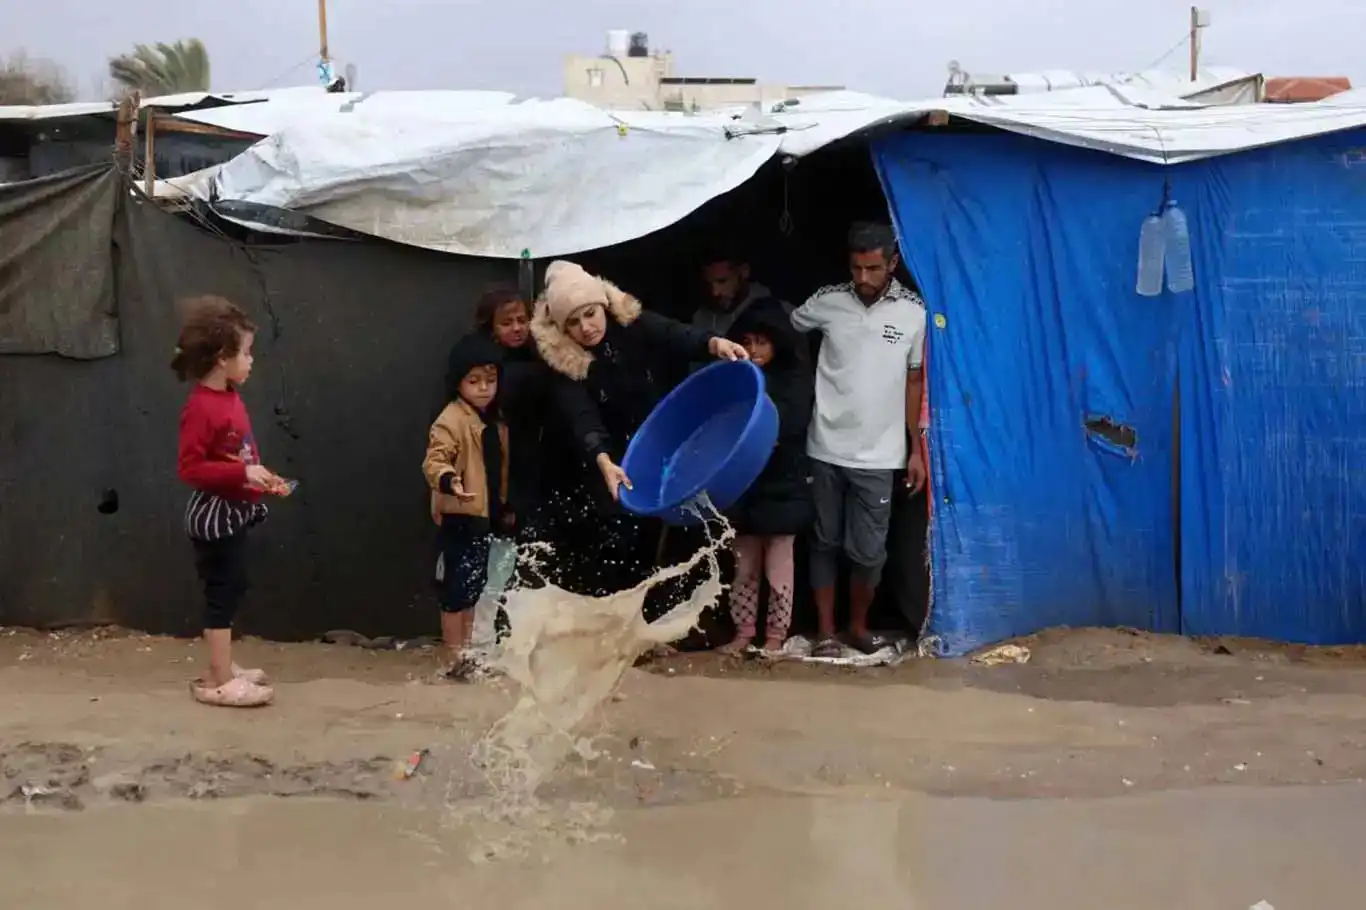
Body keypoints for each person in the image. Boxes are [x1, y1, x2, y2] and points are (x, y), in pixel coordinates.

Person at [531, 259, 747, 598]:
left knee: (680, 533)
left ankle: (672, 624)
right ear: (562, 330)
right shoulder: (561, 360)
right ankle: (618, 628)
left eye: (590, 314)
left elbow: (673, 334)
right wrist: (602, 459)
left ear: (603, 305)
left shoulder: (630, 321)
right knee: (621, 544)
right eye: (573, 322)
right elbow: (581, 415)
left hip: (657, 441)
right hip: (607, 461)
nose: (586, 327)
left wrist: (713, 343)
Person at [790, 222, 927, 657]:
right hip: (824, 447)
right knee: (824, 542)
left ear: (893, 263)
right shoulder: (827, 302)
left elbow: (914, 383)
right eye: (856, 268)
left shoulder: (915, 314)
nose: (863, 279)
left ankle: (859, 628)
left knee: (869, 554)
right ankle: (827, 631)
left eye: (872, 268)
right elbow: (784, 331)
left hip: (881, 454)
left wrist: (915, 450)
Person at [173, 296, 289, 708]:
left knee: (233, 586)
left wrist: (260, 478)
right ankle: (218, 679)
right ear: (222, 358)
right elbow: (191, 469)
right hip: (214, 518)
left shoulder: (228, 396)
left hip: (233, 510)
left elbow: (236, 452)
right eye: (246, 353)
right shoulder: (201, 408)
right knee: (222, 593)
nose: (251, 360)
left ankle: (222, 666)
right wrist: (242, 475)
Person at [717, 301, 814, 655]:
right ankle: (743, 633)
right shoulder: (732, 378)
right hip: (744, 486)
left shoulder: (795, 379)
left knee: (779, 568)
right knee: (744, 567)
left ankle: (775, 635)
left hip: (783, 483)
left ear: (778, 343)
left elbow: (788, 423)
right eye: (748, 341)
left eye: (762, 342)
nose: (754, 350)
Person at [452, 286, 544, 652]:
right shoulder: (483, 367)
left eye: (523, 320)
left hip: (523, 475)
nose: (517, 328)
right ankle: (479, 642)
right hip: (486, 483)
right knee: (484, 569)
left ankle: (503, 640)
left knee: (510, 563)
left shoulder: (535, 360)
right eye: (507, 322)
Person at [424, 333, 511, 680]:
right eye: (474, 381)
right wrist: (449, 480)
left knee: (474, 587)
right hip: (459, 515)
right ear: (458, 382)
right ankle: (454, 655)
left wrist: (504, 505)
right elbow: (434, 460)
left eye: (490, 380)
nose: (484, 388)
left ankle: (469, 653)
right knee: (454, 592)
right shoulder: (451, 419)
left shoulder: (494, 422)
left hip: (482, 517)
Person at [693, 253, 807, 371]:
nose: (715, 292)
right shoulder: (701, 318)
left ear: (744, 271)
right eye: (708, 284)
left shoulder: (783, 312)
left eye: (722, 281)